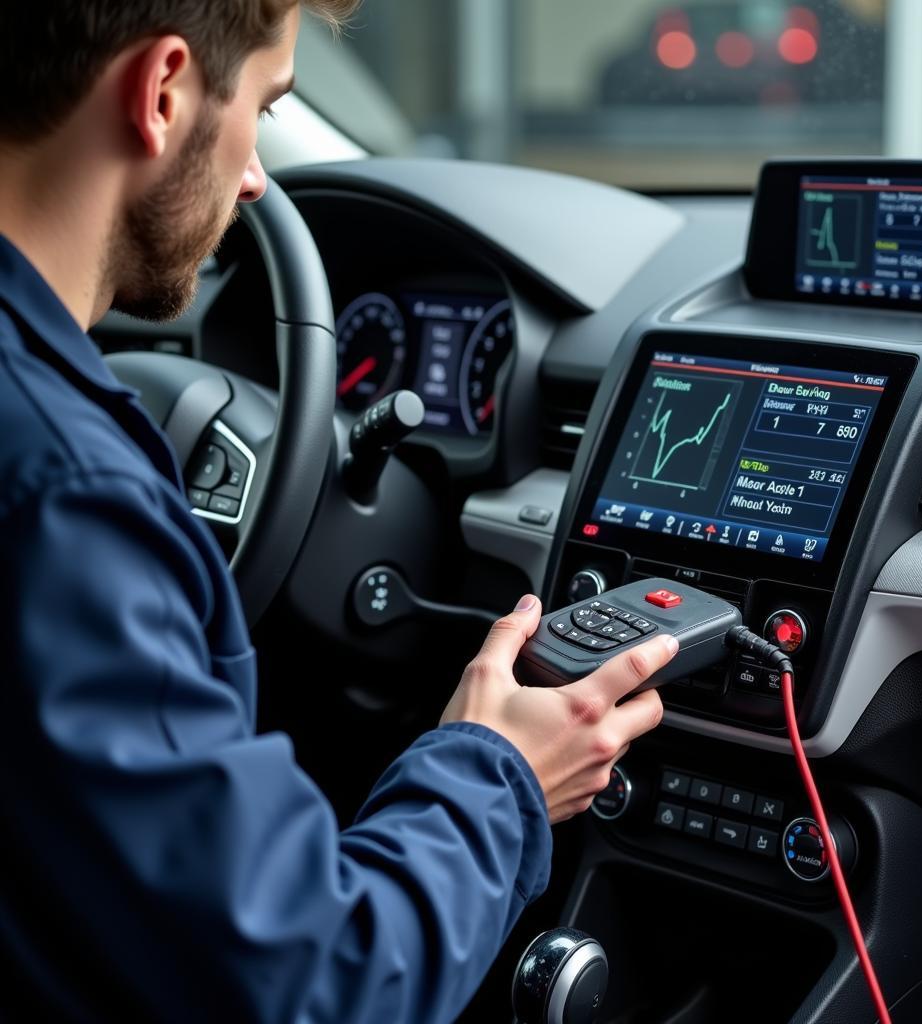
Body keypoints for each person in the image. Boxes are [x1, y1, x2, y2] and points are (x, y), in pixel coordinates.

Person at [0, 2, 674, 1021]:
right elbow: (313, 982)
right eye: (266, 110)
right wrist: (500, 775)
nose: (259, 175)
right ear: (164, 92)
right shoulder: (66, 500)